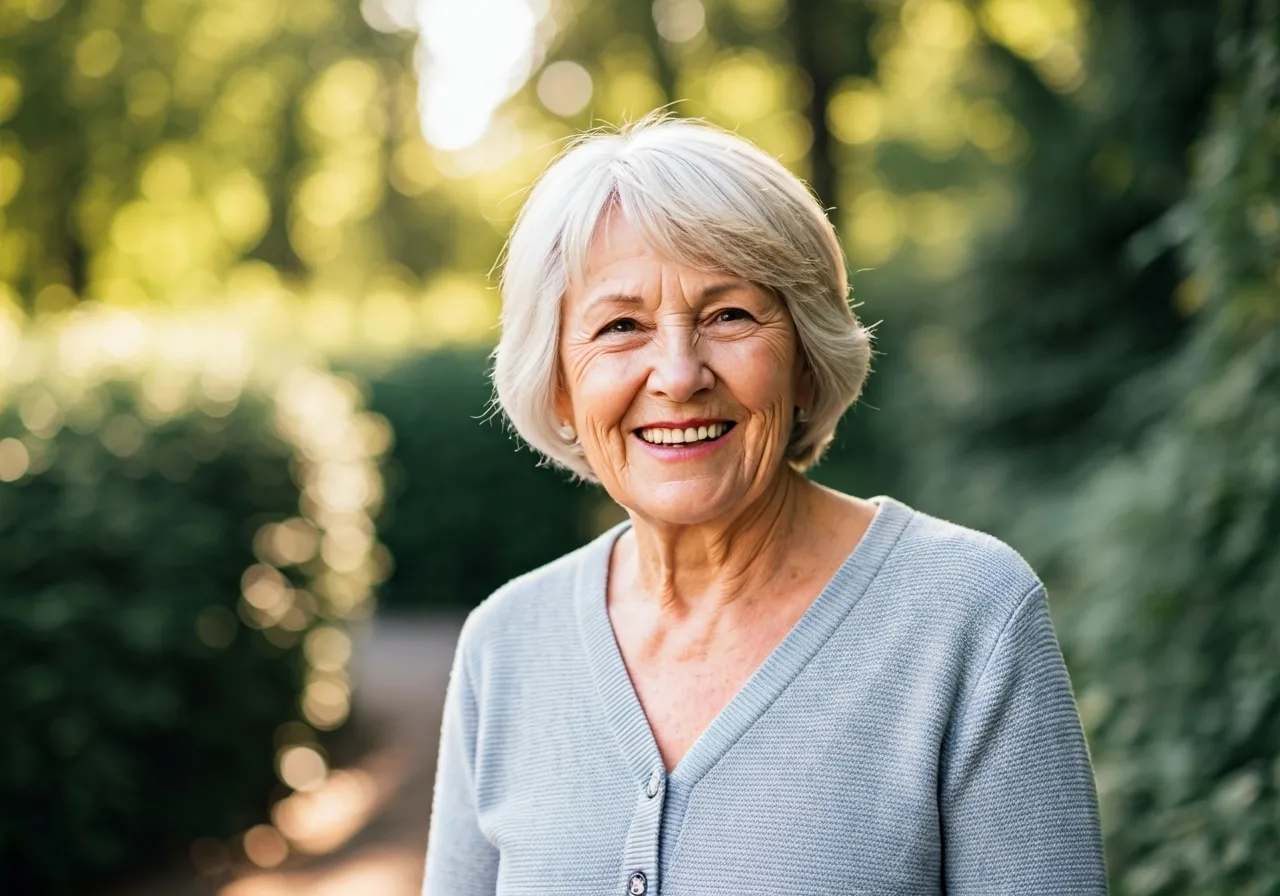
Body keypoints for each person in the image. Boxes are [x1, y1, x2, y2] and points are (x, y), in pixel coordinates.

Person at [422, 117, 1106, 895]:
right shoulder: (506, 645)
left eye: (729, 315)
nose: (679, 374)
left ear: (807, 362)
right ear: (560, 388)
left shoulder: (967, 615)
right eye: (620, 327)